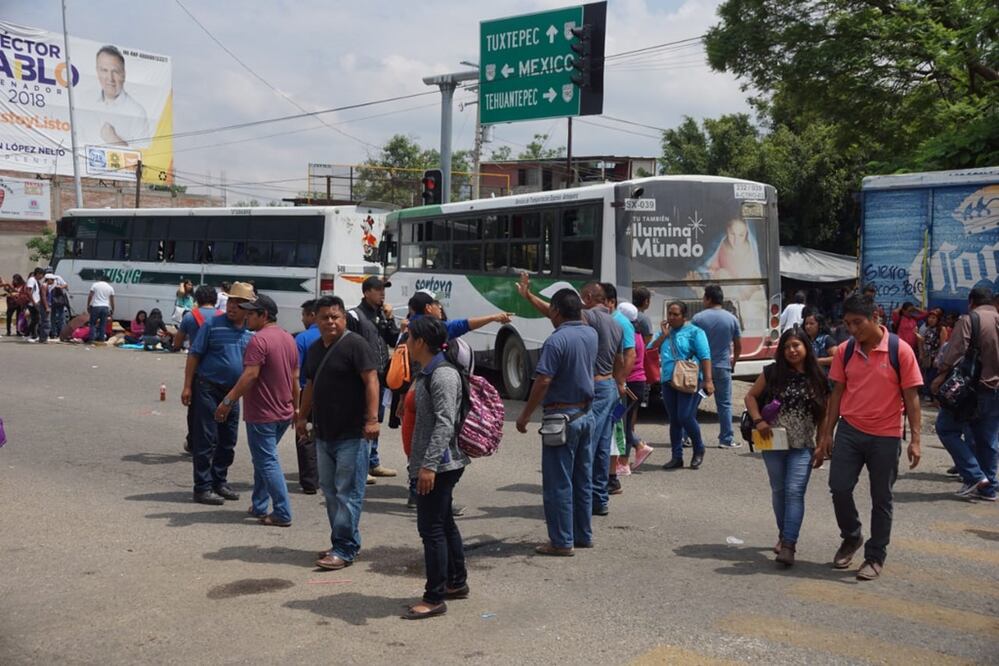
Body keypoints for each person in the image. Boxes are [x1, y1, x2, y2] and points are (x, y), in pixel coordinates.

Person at [816, 294, 922, 581]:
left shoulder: (901, 351)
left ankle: (875, 557)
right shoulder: (845, 352)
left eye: (857, 323)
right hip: (850, 431)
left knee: (881, 498)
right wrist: (827, 433)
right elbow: (836, 394)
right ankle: (852, 537)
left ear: (875, 317)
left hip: (886, 436)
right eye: (848, 324)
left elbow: (912, 398)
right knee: (839, 487)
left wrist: (915, 439)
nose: (852, 329)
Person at [517, 276, 623, 517]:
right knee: (601, 447)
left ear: (585, 300)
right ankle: (599, 500)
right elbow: (622, 359)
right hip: (609, 388)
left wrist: (529, 296)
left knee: (583, 454)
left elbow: (556, 315)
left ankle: (575, 509)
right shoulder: (617, 323)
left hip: (592, 390)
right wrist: (619, 383)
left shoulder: (589, 318)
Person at [297, 296, 380, 571]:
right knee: (331, 492)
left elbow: (371, 380)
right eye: (325, 317)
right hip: (324, 433)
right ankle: (342, 542)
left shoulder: (356, 345)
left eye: (336, 317)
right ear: (315, 319)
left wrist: (372, 419)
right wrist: (301, 417)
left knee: (348, 493)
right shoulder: (314, 348)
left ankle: (344, 548)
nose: (331, 322)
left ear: (344, 319)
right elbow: (310, 384)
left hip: (353, 434)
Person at [515, 288, 598, 556]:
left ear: (557, 312)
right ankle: (582, 534)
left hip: (561, 417)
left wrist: (525, 414)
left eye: (551, 309)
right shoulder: (590, 333)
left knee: (558, 483)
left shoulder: (556, 341)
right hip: (586, 414)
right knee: (582, 479)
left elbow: (544, 380)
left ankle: (562, 541)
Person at [402, 316, 471, 620]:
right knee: (442, 523)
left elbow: (445, 422)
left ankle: (434, 597)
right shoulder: (429, 370)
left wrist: (428, 466)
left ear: (420, 342)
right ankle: (456, 582)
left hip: (440, 465)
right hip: (435, 462)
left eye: (409, 337)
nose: (405, 342)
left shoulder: (442, 374)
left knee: (430, 530)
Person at [745, 328, 829, 567]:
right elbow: (750, 397)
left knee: (794, 492)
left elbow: (824, 414)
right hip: (772, 442)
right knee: (779, 490)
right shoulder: (772, 372)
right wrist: (758, 420)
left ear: (806, 348)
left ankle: (789, 544)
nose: (792, 351)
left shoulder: (818, 377)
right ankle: (784, 534)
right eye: (787, 347)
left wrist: (823, 442)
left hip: (803, 444)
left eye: (796, 345)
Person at [215, 294, 299, 526]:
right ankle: (260, 504)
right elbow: (295, 377)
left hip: (264, 413)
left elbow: (250, 375)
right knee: (263, 459)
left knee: (267, 460)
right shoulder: (287, 338)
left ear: (264, 316)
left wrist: (227, 401)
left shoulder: (258, 340)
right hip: (283, 410)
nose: (247, 317)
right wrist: (296, 407)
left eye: (251, 314)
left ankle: (282, 511)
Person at [181, 282, 255, 505]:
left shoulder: (250, 332)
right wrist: (187, 386)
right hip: (207, 388)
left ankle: (219, 482)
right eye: (231, 302)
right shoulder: (212, 324)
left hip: (232, 394)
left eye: (238, 304)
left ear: (249, 309)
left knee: (227, 440)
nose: (232, 307)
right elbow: (194, 355)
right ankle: (202, 487)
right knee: (206, 439)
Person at [932, 287, 999, 502]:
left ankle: (975, 475)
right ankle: (989, 488)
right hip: (995, 390)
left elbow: (955, 350)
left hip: (970, 389)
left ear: (971, 302)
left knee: (946, 428)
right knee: (987, 439)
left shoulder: (971, 319)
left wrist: (941, 375)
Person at [649, 301, 714, 469]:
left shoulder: (695, 332)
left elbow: (705, 356)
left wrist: (708, 380)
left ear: (684, 316)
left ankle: (699, 448)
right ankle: (676, 456)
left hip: (689, 379)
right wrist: (663, 335)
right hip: (668, 380)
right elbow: (650, 350)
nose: (671, 317)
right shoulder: (664, 332)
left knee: (685, 416)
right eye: (669, 313)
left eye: (675, 314)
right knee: (674, 420)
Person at [353, 276, 400, 480]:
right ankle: (360, 466)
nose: (382, 293)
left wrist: (389, 320)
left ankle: (373, 462)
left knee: (376, 419)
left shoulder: (380, 314)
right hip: (362, 378)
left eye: (384, 289)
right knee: (364, 419)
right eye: (378, 289)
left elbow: (393, 339)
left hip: (381, 376)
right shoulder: (355, 316)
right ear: (366, 292)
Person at [691, 285, 742, 448]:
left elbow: (691, 342)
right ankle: (726, 439)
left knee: (694, 401)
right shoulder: (732, 319)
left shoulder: (698, 318)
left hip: (702, 369)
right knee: (724, 404)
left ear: (709, 299)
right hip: (722, 367)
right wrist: (733, 362)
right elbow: (738, 344)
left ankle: (686, 436)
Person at [617, 302, 654, 472]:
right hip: (637, 383)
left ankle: (633, 452)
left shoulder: (628, 335)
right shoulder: (637, 334)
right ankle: (624, 459)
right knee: (622, 420)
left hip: (630, 384)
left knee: (619, 421)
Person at [90, 45, 149, 147]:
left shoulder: (136, 112)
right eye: (104, 70)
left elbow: (145, 157)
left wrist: (114, 139)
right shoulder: (84, 101)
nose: (110, 78)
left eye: (115, 72)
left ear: (124, 74)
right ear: (97, 71)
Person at [294, 299, 321, 494]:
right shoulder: (338, 335)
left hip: (307, 392)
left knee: (305, 434)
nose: (302, 319)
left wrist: (296, 405)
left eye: (304, 315)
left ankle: (310, 481)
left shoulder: (302, 339)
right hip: (332, 394)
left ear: (312, 315)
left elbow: (295, 372)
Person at [918, 308, 948, 395]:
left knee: (932, 377)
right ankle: (928, 395)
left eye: (934, 318)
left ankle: (933, 397)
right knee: (926, 376)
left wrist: (938, 358)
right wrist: (922, 353)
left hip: (935, 357)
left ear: (938, 319)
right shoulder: (928, 328)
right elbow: (926, 342)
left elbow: (943, 346)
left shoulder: (942, 329)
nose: (931, 320)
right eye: (930, 317)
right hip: (927, 357)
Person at [87, 272, 115, 343]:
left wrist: (88, 305)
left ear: (100, 279)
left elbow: (90, 295)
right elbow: (112, 300)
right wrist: (113, 309)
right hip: (105, 307)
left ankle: (92, 339)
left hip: (96, 306)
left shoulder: (95, 285)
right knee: (103, 324)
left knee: (92, 323)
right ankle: (101, 339)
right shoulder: (110, 287)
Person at [47, 274, 69, 340]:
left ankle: (61, 333)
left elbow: (66, 285)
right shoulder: (46, 282)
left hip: (59, 302)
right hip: (54, 302)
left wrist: (60, 287)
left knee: (60, 317)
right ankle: (54, 333)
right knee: (54, 317)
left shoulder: (58, 278)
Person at [24, 268, 42, 342]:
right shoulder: (32, 280)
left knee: (35, 319)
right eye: (41, 275)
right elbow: (28, 291)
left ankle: (31, 334)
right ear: (37, 273)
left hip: (35, 302)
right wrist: (34, 302)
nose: (42, 277)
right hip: (33, 303)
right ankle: (29, 335)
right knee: (35, 319)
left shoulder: (35, 281)